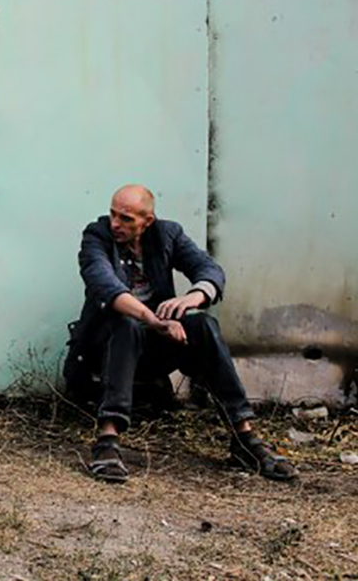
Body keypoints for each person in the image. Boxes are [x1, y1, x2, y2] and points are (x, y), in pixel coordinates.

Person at [64, 184, 297, 483]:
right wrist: (154, 319)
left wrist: (193, 298)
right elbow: (105, 286)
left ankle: (244, 439)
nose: (115, 224)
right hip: (105, 347)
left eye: (126, 218)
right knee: (126, 323)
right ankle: (107, 440)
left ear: (147, 221)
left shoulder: (167, 234)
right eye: (113, 214)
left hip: (152, 348)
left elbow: (209, 269)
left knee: (203, 325)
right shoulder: (96, 236)